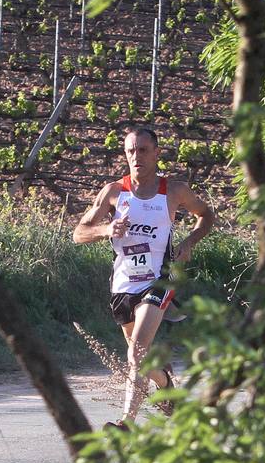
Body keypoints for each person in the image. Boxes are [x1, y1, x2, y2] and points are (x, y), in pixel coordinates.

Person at [72, 127, 215, 427]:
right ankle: (164, 384)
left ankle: (126, 423)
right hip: (123, 285)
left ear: (156, 153)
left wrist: (189, 242)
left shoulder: (173, 191)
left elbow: (207, 214)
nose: (136, 157)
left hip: (157, 280)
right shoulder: (113, 192)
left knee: (136, 351)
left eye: (143, 150)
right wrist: (105, 230)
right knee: (140, 357)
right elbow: (78, 233)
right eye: (130, 151)